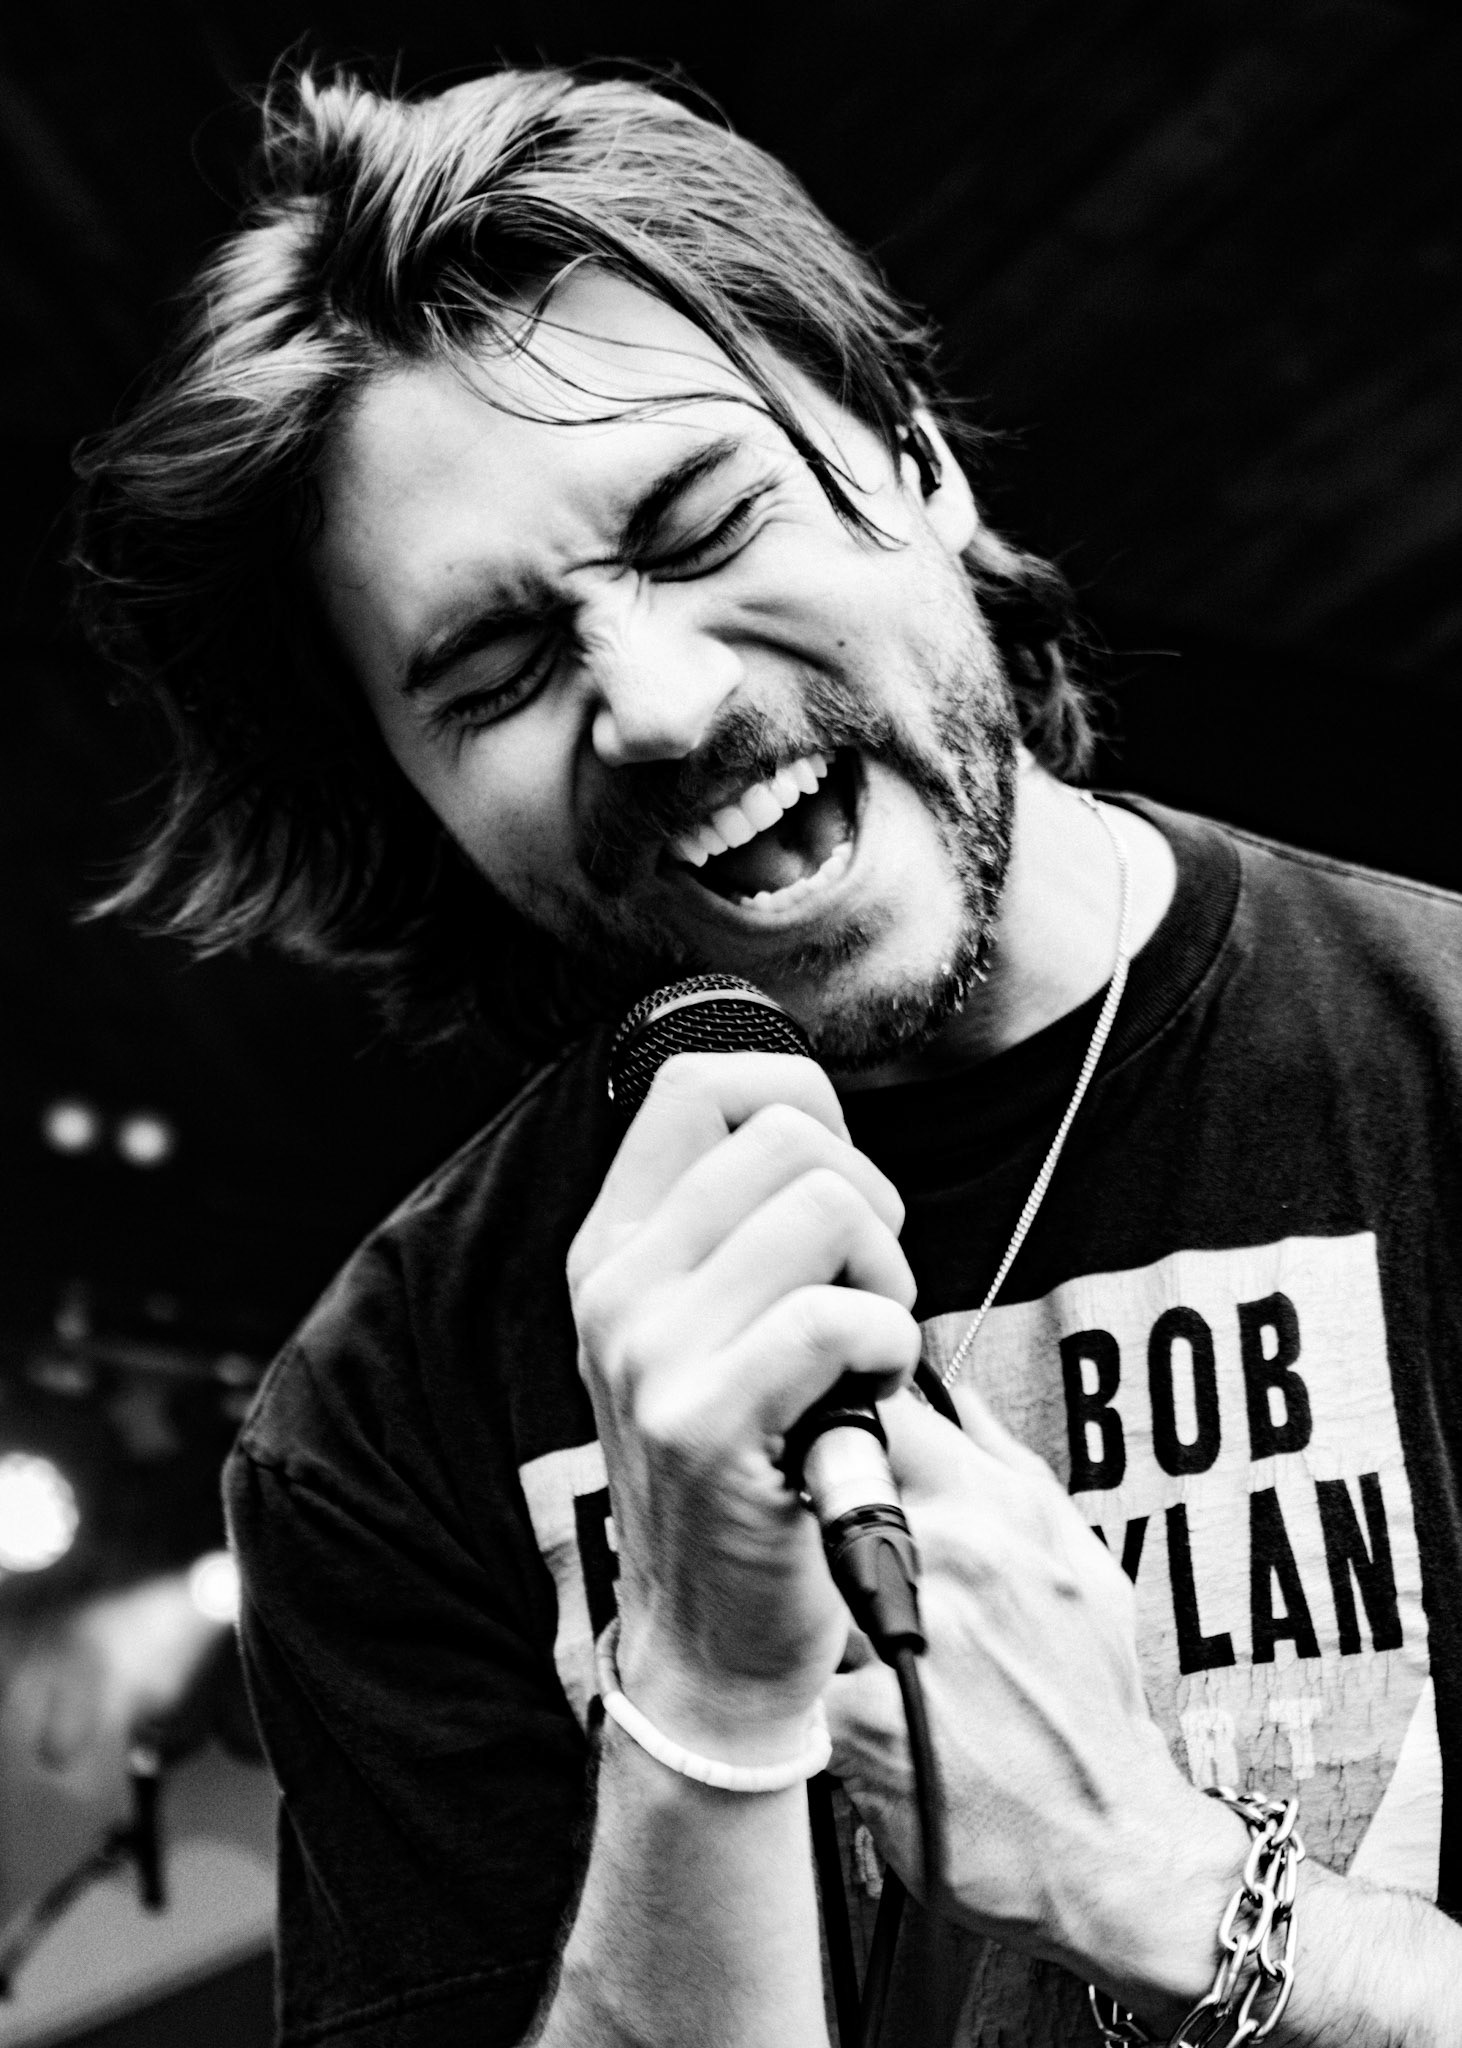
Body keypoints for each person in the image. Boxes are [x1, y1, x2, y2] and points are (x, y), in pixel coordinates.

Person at [72, 59, 1462, 2048]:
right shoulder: (380, 1421)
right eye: (494, 671)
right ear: (417, 796)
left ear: (910, 459)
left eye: (702, 520)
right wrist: (706, 1699)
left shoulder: (1427, 1053)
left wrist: (1160, 1886)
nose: (649, 699)